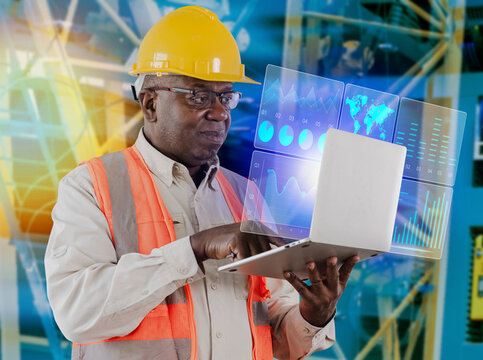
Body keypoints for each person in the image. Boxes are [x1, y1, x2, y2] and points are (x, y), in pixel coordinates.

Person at [44, 6, 357, 360]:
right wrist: (194, 249)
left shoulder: (245, 196)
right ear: (150, 104)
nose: (220, 112)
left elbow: (276, 340)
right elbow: (76, 312)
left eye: (226, 97)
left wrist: (313, 315)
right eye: (199, 96)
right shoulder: (91, 187)